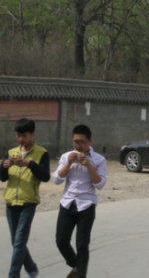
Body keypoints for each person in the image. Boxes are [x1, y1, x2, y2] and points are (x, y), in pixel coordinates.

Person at [54, 124, 107, 278]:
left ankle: (80, 274)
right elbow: (57, 180)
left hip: (87, 204)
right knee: (61, 241)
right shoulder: (66, 156)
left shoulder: (99, 160)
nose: (79, 145)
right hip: (68, 202)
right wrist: (69, 163)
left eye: (82, 142)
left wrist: (88, 165)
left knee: (82, 244)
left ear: (89, 142)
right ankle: (77, 265)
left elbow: (100, 184)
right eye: (76, 142)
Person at [1, 118, 50, 278]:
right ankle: (32, 268)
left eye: (24, 135)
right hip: (10, 202)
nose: (21, 139)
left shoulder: (42, 153)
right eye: (18, 135)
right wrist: (3, 166)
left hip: (28, 202)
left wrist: (30, 164)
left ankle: (13, 275)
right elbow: (3, 178)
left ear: (32, 134)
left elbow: (45, 176)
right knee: (16, 242)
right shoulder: (11, 152)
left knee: (20, 241)